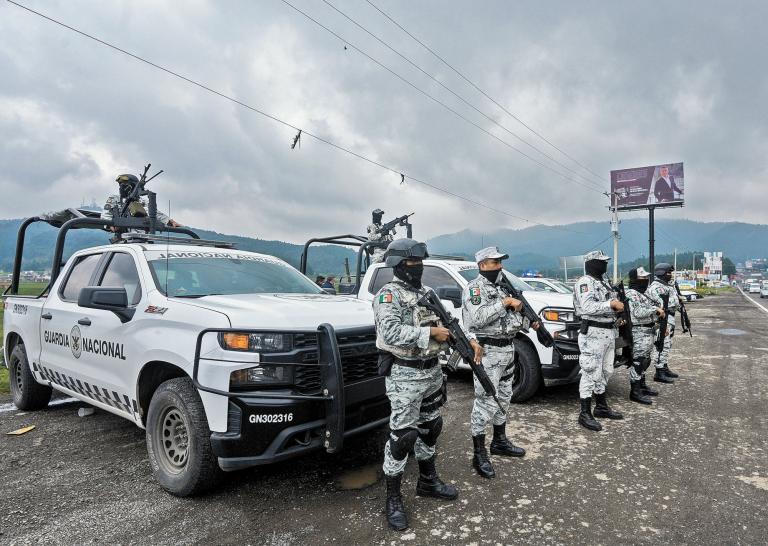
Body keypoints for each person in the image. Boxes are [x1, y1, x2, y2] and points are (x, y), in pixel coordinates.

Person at [373, 238, 482, 532]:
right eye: (412, 263)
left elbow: (452, 322)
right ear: (398, 265)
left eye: (420, 262)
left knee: (431, 429)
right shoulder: (388, 295)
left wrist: (469, 341)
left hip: (432, 373)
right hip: (405, 375)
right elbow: (390, 333)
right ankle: (393, 497)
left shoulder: (428, 293)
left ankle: (428, 481)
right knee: (402, 437)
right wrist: (430, 332)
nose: (417, 268)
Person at [462, 246, 529, 479]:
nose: (499, 266)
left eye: (500, 262)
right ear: (482, 265)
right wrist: (506, 303)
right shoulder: (474, 288)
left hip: (508, 349)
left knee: (504, 397)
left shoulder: (503, 287)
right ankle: (479, 452)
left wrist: (522, 312)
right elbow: (479, 317)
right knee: (484, 401)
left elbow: (515, 319)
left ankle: (499, 440)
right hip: (487, 351)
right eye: (494, 263)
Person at [572, 250, 625, 431]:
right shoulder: (585, 282)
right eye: (601, 262)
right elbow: (587, 306)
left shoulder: (604, 283)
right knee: (590, 371)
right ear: (591, 263)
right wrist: (610, 305)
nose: (605, 265)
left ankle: (601, 406)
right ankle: (584, 413)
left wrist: (617, 316)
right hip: (593, 333)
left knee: (606, 370)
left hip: (608, 332)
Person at [625, 267, 665, 404]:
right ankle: (634, 391)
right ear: (635, 279)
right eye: (642, 278)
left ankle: (641, 385)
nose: (646, 280)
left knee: (646, 360)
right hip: (639, 331)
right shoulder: (631, 293)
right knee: (639, 361)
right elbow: (638, 312)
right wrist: (655, 310)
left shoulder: (643, 293)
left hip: (649, 330)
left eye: (646, 278)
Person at [102, 174, 181, 227]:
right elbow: (105, 215)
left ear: (133, 186)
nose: (121, 187)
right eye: (120, 185)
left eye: (124, 185)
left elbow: (155, 213)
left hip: (142, 237)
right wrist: (111, 225)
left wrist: (169, 221)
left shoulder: (142, 202)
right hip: (123, 238)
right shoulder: (114, 199)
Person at [646, 263, 680, 383]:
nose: (670, 275)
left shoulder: (667, 286)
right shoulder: (656, 287)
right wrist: (676, 301)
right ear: (661, 273)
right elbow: (664, 303)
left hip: (669, 318)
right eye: (668, 273)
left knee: (667, 344)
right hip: (662, 319)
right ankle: (659, 371)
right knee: (662, 344)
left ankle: (664, 367)